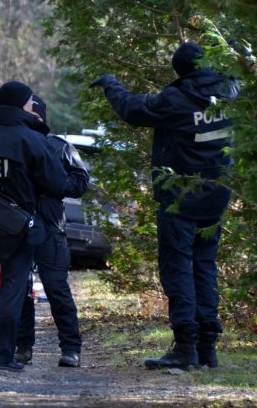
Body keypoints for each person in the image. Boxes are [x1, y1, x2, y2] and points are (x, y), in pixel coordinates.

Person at [89, 42, 239, 370]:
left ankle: (186, 347)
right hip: (217, 195)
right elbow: (240, 76)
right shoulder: (229, 92)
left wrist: (110, 83)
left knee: (179, 266)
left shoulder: (177, 99)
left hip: (180, 198)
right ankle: (207, 349)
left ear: (179, 71)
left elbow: (131, 109)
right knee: (205, 265)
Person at [0, 81, 87, 372]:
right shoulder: (33, 141)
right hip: (21, 230)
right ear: (23, 106)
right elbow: (58, 184)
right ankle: (2, 358)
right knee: (12, 292)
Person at [15, 95, 89, 368]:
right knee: (19, 290)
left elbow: (80, 183)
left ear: (39, 117)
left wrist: (53, 182)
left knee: (56, 288)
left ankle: (71, 348)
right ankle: (22, 347)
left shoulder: (59, 146)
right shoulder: (11, 144)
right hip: (16, 225)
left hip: (49, 227)